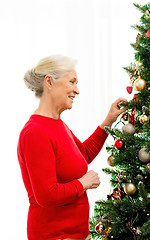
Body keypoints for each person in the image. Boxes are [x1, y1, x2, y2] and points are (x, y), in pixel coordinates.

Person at [17, 55, 127, 240]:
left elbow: (82, 155)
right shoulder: (36, 132)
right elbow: (46, 195)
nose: (77, 90)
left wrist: (109, 120)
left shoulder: (57, 124)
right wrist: (82, 184)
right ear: (49, 82)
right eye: (72, 82)